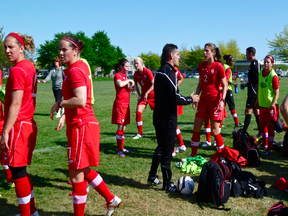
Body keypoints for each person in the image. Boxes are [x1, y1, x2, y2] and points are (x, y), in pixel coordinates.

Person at [51, 35, 122, 216]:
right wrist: (65, 114)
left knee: (76, 175)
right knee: (82, 170)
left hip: (81, 125)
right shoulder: (75, 67)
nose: (60, 53)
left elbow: (81, 100)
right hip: (80, 124)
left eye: (64, 49)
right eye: (59, 49)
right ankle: (111, 199)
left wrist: (60, 103)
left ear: (75, 51)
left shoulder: (75, 70)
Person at [147, 43, 199, 191]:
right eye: (177, 54)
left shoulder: (160, 71)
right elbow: (175, 97)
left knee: (161, 147)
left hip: (159, 116)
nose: (179, 57)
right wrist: (191, 99)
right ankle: (167, 183)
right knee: (167, 150)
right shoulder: (168, 72)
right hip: (166, 118)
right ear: (171, 56)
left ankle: (152, 175)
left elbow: (171, 95)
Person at [0, 32, 38, 216]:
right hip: (28, 123)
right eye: (5, 47)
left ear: (21, 48)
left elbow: (15, 103)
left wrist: (5, 131)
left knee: (18, 173)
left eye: (11, 47)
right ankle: (32, 212)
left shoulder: (17, 70)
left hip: (19, 125)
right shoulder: (29, 66)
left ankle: (26, 214)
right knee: (21, 171)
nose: (7, 50)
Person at [187, 43, 227, 158]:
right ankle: (193, 155)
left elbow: (224, 85)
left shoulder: (219, 66)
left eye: (207, 51)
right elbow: (200, 84)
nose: (204, 53)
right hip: (203, 101)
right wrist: (195, 96)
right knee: (196, 128)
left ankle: (221, 156)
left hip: (215, 101)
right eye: (204, 51)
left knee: (215, 131)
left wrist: (222, 100)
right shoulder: (201, 65)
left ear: (213, 53)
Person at [112, 59, 135, 157]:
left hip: (126, 104)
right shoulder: (118, 75)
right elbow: (120, 84)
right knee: (120, 126)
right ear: (121, 67)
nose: (128, 68)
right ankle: (119, 149)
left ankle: (122, 147)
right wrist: (129, 80)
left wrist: (132, 88)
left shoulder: (125, 76)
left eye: (128, 66)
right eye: (126, 66)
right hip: (120, 104)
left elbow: (126, 88)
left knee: (124, 126)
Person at [257, 55, 279, 155]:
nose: (265, 64)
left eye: (268, 62)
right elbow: (259, 89)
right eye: (264, 62)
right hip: (262, 105)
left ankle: (269, 149)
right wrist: (257, 101)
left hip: (270, 106)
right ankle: (265, 144)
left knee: (270, 126)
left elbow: (277, 94)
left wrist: (272, 107)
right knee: (262, 125)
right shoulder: (261, 73)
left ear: (272, 64)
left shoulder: (273, 76)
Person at [133, 57, 154, 139]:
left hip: (152, 96)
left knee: (157, 116)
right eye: (134, 63)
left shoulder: (147, 72)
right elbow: (135, 85)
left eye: (137, 63)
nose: (135, 65)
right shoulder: (136, 74)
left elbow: (154, 84)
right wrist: (139, 94)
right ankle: (140, 133)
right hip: (143, 96)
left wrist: (147, 93)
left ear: (142, 63)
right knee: (138, 112)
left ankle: (159, 135)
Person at [242, 47, 261, 136]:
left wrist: (256, 90)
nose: (245, 55)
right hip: (251, 90)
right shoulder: (251, 64)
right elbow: (252, 79)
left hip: (254, 91)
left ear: (250, 54)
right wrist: (246, 84)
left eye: (246, 53)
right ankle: (261, 131)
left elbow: (258, 78)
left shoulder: (256, 63)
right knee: (256, 111)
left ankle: (244, 131)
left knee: (248, 111)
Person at [223, 54, 243, 127]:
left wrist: (233, 79)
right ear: (228, 61)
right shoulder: (228, 68)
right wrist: (233, 83)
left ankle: (219, 123)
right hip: (228, 90)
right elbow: (226, 79)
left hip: (222, 90)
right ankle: (237, 123)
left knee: (222, 107)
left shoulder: (223, 66)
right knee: (232, 107)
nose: (233, 63)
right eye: (232, 61)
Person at [172, 67, 187, 156]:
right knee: (173, 125)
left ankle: (172, 149)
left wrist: (175, 87)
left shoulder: (173, 69)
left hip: (172, 100)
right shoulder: (169, 69)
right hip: (171, 100)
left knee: (169, 126)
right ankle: (181, 145)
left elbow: (181, 78)